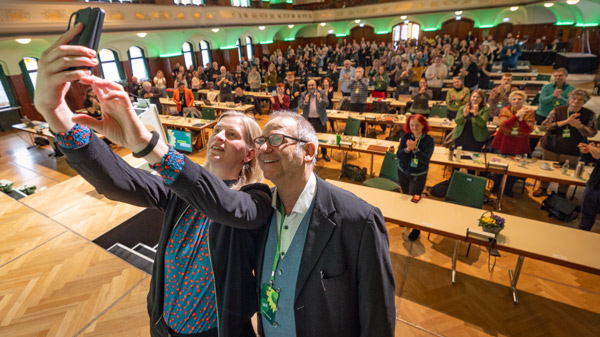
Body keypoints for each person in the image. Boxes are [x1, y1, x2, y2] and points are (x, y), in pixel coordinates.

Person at [34, 24, 272, 337]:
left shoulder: (257, 199)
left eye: (232, 134)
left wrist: (147, 143)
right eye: (216, 130)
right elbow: (117, 182)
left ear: (250, 154)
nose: (218, 137)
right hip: (162, 326)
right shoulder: (178, 191)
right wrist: (56, 115)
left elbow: (225, 205)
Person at [254, 111, 395, 336]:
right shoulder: (260, 209)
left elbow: (378, 317)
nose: (263, 148)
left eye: (276, 139)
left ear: (308, 151)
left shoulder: (359, 221)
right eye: (261, 141)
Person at [534, 89, 598, 197]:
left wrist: (579, 126)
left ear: (584, 101)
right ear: (569, 99)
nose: (576, 101)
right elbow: (544, 126)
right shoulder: (558, 110)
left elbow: (592, 133)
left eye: (580, 100)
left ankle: (561, 193)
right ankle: (543, 188)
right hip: (551, 145)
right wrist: (566, 122)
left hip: (573, 148)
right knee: (546, 168)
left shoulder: (589, 114)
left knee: (568, 172)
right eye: (573, 99)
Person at [396, 114, 434, 241]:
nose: (414, 127)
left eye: (417, 125)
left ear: (423, 125)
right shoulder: (406, 137)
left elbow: (425, 160)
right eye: (412, 125)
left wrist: (416, 149)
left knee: (414, 200)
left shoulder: (429, 140)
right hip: (403, 172)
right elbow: (399, 155)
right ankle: (407, 219)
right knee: (406, 196)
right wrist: (407, 149)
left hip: (418, 175)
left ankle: (416, 228)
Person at [490, 91, 535, 196]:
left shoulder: (529, 112)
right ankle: (496, 185)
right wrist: (516, 116)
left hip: (518, 145)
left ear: (523, 101)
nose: (516, 101)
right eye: (514, 99)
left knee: (514, 168)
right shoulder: (505, 110)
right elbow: (503, 125)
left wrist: (522, 120)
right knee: (498, 166)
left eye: (519, 99)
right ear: (510, 101)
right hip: (503, 142)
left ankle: (508, 188)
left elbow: (529, 130)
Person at [299, 79, 330, 162]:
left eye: (312, 85)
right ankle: (312, 154)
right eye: (309, 85)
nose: (311, 87)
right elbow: (300, 106)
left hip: (320, 119)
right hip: (309, 120)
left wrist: (320, 100)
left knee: (323, 137)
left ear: (316, 85)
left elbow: (327, 103)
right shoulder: (304, 94)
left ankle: (324, 153)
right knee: (309, 138)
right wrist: (305, 101)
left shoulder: (322, 93)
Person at [577, 142, 600, 231]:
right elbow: (591, 160)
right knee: (586, 214)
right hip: (594, 183)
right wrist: (586, 152)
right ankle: (582, 234)